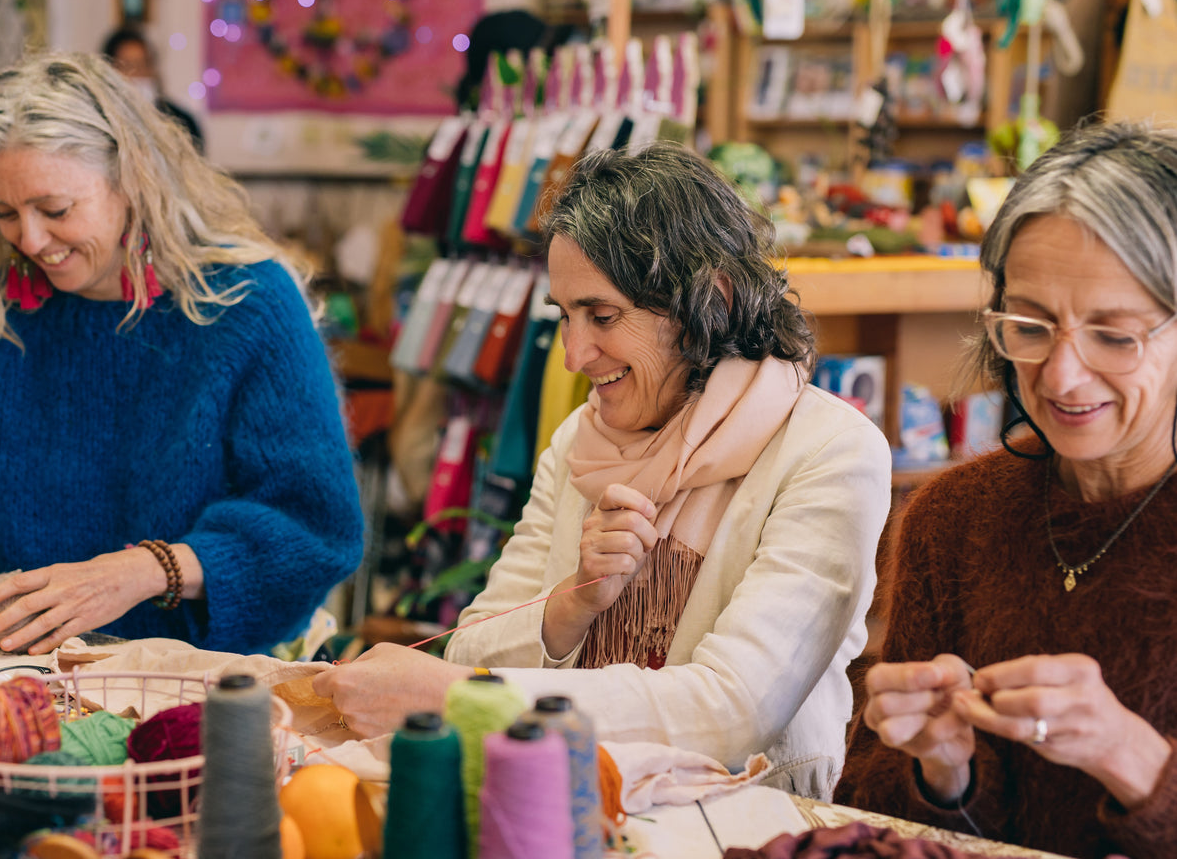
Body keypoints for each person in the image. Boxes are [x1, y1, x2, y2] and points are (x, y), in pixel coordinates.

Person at [315, 142, 892, 799]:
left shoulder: (829, 453)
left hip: (745, 829)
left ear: (713, 299)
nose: (573, 354)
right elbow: (473, 647)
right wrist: (572, 603)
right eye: (564, 316)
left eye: (603, 316)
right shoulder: (579, 443)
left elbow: (733, 713)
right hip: (573, 812)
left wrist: (463, 701)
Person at [0, 51, 363, 657]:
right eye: (5, 213)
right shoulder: (0, 299)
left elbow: (314, 530)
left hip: (187, 674)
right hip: (10, 662)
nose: (30, 240)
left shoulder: (247, 305)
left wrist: (144, 572)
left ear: (131, 181)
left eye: (55, 209)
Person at [837, 121, 1177, 858]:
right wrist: (941, 769)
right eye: (1030, 325)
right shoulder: (954, 519)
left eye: (1113, 336)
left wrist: (1128, 754)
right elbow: (867, 810)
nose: (1060, 376)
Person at [101, 26, 204, 153]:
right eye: (128, 66)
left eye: (144, 64)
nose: (138, 73)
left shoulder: (182, 122)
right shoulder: (101, 125)